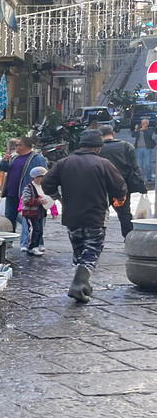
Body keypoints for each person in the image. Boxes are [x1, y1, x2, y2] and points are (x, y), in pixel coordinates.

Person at [42, 130, 127, 303]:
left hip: (71, 216)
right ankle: (79, 284)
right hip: (96, 215)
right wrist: (119, 197)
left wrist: (59, 198)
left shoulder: (63, 163)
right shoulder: (103, 163)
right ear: (98, 147)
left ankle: (83, 284)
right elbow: (120, 187)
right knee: (92, 250)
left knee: (79, 251)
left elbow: (46, 183)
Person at [0, 137, 47, 248]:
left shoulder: (36, 158)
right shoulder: (14, 158)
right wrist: (4, 161)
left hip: (26, 196)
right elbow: (3, 168)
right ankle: (8, 243)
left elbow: (42, 175)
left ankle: (34, 243)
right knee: (9, 219)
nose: (16, 147)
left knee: (31, 220)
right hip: (12, 194)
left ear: (26, 146)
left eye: (18, 145)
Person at [99, 124, 145, 238]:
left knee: (98, 215)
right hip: (122, 187)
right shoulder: (126, 146)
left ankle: (96, 240)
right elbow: (134, 167)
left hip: (102, 187)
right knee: (124, 215)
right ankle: (128, 239)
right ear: (113, 133)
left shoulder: (97, 148)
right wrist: (141, 184)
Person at [20, 166, 56, 256]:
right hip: (31, 214)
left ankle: (35, 246)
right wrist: (38, 201)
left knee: (39, 230)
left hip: (40, 213)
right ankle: (31, 247)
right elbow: (26, 201)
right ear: (36, 177)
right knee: (34, 230)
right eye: (43, 177)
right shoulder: (29, 188)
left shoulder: (43, 187)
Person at [134, 118, 155, 186]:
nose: (143, 124)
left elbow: (149, 136)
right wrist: (136, 129)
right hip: (138, 148)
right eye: (142, 123)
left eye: (144, 123)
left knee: (147, 164)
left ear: (147, 124)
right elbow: (133, 135)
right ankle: (140, 178)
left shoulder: (150, 129)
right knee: (139, 164)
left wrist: (143, 130)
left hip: (147, 148)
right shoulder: (139, 130)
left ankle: (149, 178)